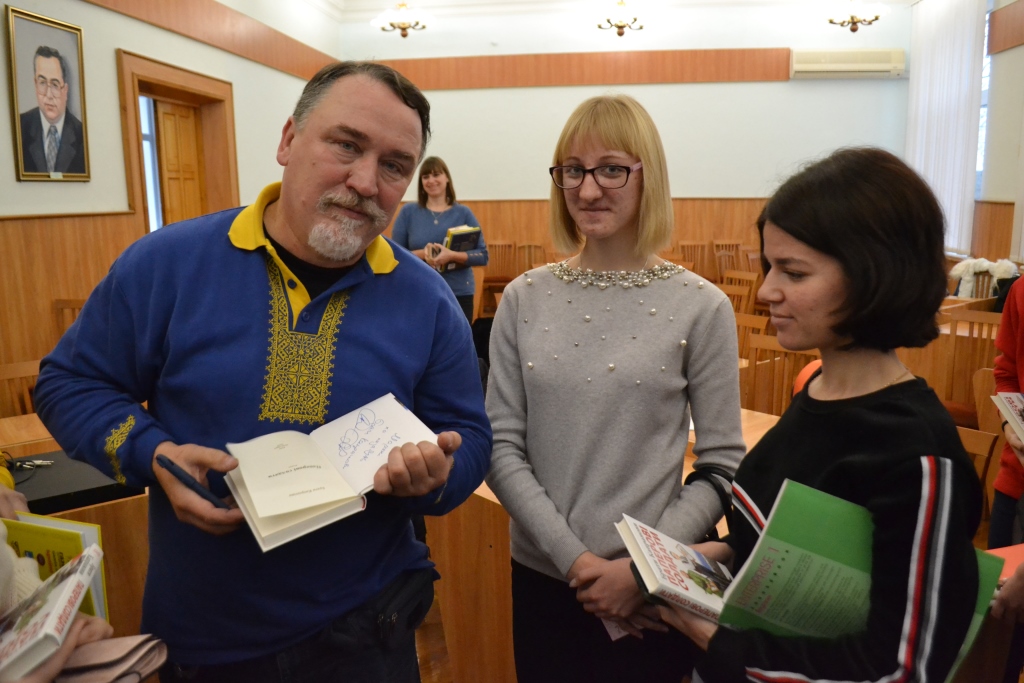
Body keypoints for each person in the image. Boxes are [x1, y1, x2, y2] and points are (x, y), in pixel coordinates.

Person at [34, 61, 492, 682]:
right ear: (288, 140)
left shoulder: (428, 300)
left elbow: (470, 436)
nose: (364, 181)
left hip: (369, 631)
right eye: (346, 144)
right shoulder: (167, 264)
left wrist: (436, 475)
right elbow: (70, 383)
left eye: (393, 165)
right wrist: (153, 454)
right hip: (206, 637)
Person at [657, 147, 982, 683]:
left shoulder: (916, 453)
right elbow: (797, 547)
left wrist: (716, 640)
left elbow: (903, 669)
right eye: (769, 266)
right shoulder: (817, 390)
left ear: (872, 275)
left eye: (793, 272)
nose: (766, 290)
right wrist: (714, 556)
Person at [485, 94, 745, 682]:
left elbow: (722, 464)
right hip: (545, 578)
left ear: (648, 175)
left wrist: (641, 569)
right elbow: (501, 446)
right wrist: (576, 562)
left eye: (610, 169)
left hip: (650, 589)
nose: (587, 190)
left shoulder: (702, 306)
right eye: (572, 170)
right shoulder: (523, 298)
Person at [391, 156, 489, 322]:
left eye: (436, 175)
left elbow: (482, 256)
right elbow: (395, 255)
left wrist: (451, 255)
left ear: (447, 178)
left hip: (458, 294)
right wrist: (424, 253)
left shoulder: (463, 213)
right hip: (419, 290)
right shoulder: (408, 212)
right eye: (426, 176)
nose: (431, 180)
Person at [990, 275, 1024, 682]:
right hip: (1015, 489)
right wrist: (1008, 424)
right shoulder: (1020, 291)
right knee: (999, 643)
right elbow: (1007, 372)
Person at [19, 46, 86, 175]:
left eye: (55, 84)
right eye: (42, 83)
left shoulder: (81, 136)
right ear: (35, 84)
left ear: (65, 90)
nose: (48, 95)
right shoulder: (20, 127)